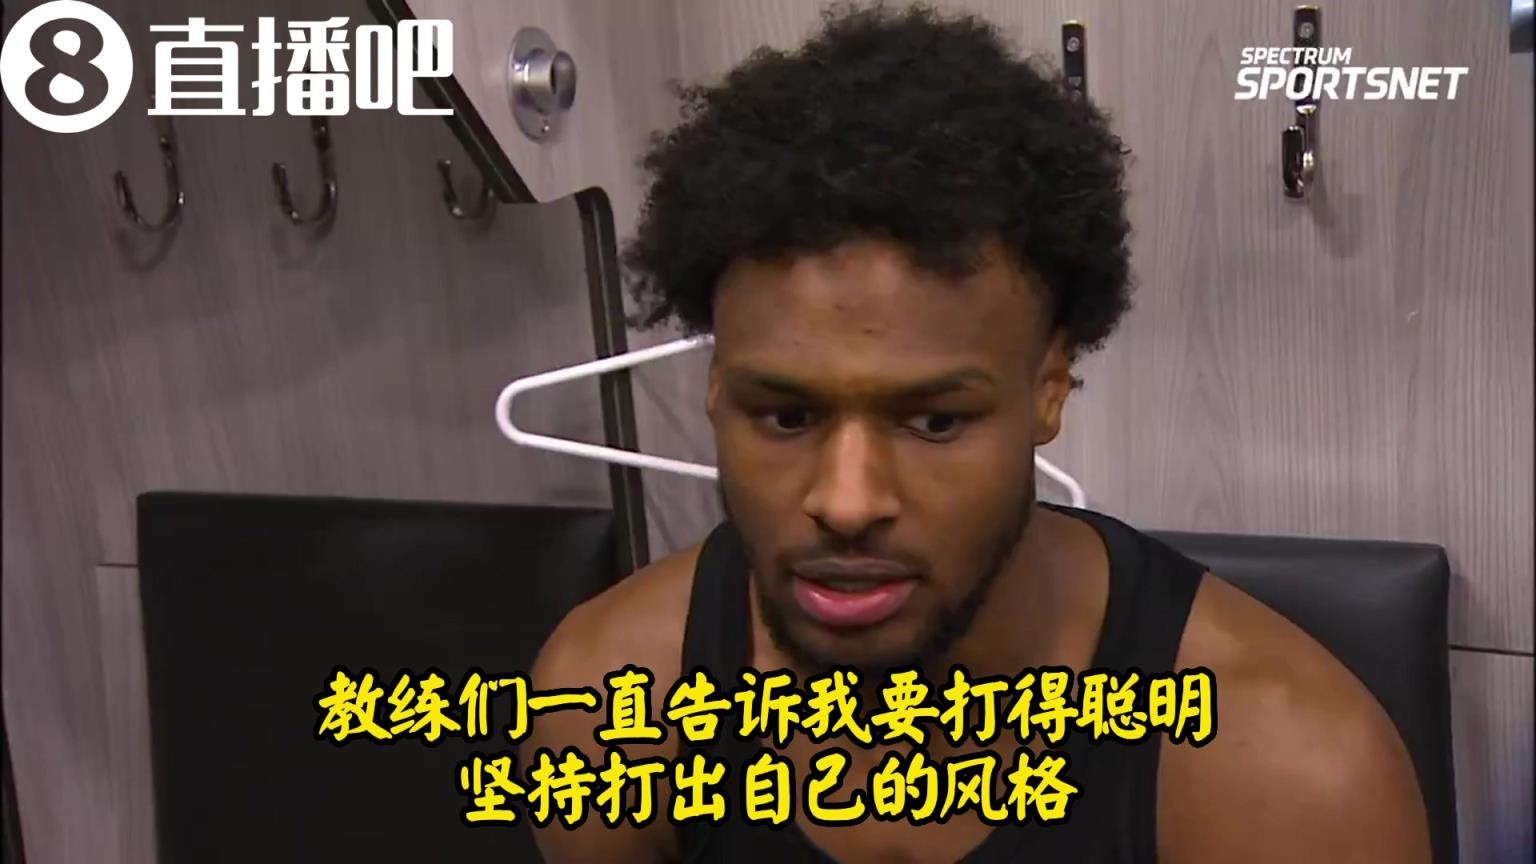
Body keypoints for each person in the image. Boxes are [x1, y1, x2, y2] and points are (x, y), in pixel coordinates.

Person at [527, 3, 1431, 861]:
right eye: (788, 416)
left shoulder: (1282, 772)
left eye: (934, 421)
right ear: (717, 387)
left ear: (1048, 389)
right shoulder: (603, 705)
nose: (847, 502)